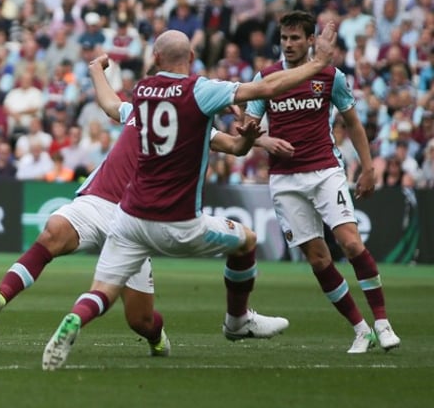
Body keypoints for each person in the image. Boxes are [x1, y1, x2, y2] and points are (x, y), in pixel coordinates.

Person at [42, 23, 340, 370]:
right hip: (178, 223)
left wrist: (244, 140)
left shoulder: (142, 90)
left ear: (155, 58)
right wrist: (318, 63)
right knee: (246, 240)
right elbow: (267, 86)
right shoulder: (200, 90)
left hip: (128, 219)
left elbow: (112, 104)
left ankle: (75, 319)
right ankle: (237, 320)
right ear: (193, 57)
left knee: (102, 290)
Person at [0, 55, 262, 357]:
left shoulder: (191, 122)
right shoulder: (138, 108)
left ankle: (157, 339)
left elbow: (233, 146)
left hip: (135, 216)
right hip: (99, 200)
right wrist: (96, 70)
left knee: (140, 320)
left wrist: (252, 139)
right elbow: (110, 104)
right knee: (52, 233)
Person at [244, 10, 401, 354]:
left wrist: (369, 166)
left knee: (352, 245)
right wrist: (264, 141)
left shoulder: (330, 76)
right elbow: (246, 129)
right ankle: (361, 330)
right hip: (284, 180)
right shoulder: (265, 78)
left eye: (295, 38)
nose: (288, 44)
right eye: (284, 38)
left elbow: (354, 123)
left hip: (325, 170)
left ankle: (383, 322)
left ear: (311, 40)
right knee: (317, 260)